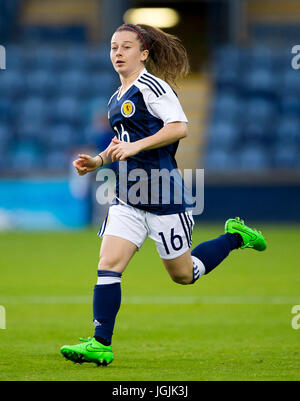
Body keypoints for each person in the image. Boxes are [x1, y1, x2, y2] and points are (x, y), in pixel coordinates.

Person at [60, 23, 267, 366]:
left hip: (163, 196)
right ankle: (100, 343)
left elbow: (179, 127)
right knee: (108, 265)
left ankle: (233, 238)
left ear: (143, 54)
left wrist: (136, 145)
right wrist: (96, 161)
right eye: (113, 47)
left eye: (126, 47)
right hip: (128, 195)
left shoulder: (152, 87)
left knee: (184, 275)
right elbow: (121, 147)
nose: (118, 53)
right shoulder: (115, 99)